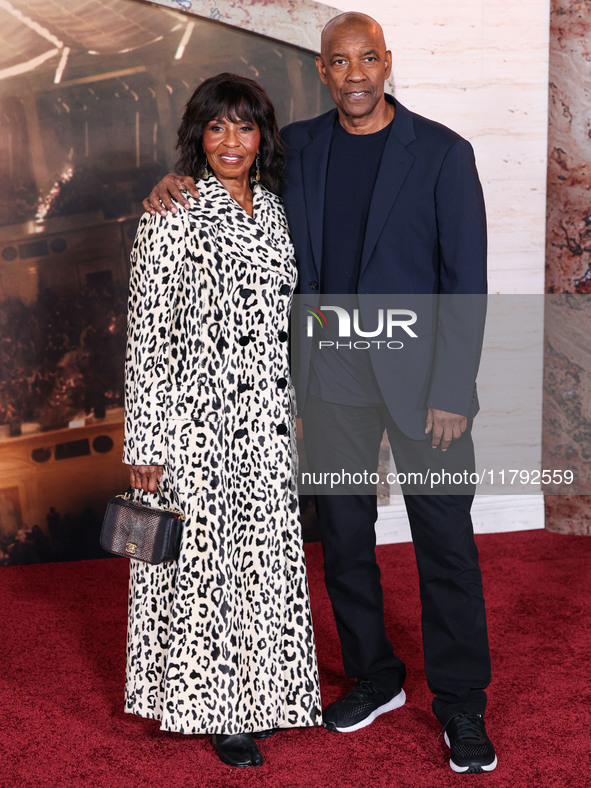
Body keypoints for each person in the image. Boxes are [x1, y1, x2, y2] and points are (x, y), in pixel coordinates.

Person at [143, 13, 497, 775]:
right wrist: (172, 185)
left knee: (445, 546)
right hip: (330, 385)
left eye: (369, 58)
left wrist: (451, 391)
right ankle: (376, 674)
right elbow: (226, 181)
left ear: (386, 63)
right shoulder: (296, 148)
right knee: (342, 544)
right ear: (323, 73)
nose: (357, 73)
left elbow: (464, 284)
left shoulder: (441, 152)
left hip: (423, 388)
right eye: (340, 62)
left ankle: (461, 703)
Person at [124, 72, 322, 768]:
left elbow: (280, 324)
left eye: (243, 126)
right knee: (205, 567)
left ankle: (265, 692)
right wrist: (144, 441)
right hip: (193, 422)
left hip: (265, 416)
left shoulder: (272, 210)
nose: (230, 141)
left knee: (264, 559)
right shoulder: (171, 212)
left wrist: (290, 409)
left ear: (261, 135)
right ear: (197, 137)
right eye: (216, 127)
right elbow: (147, 335)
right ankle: (214, 706)